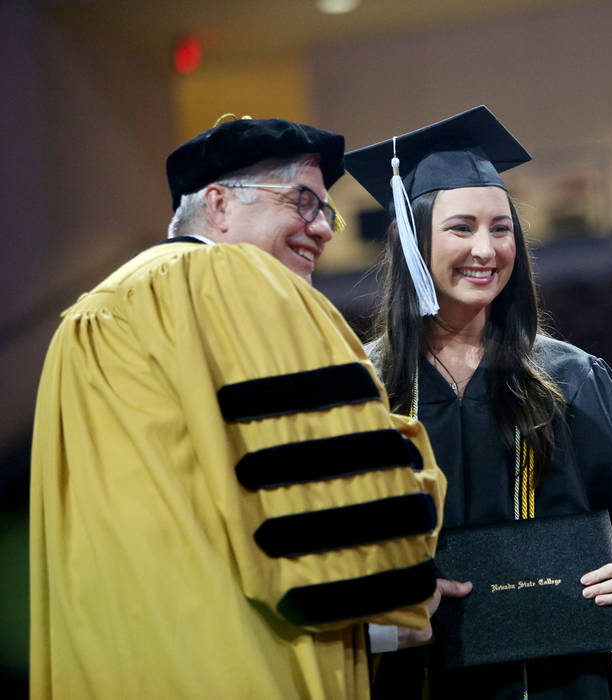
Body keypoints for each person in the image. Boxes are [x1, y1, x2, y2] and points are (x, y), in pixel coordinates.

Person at [29, 117, 447, 699]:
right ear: (219, 205)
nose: (322, 230)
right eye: (303, 202)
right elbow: (325, 479)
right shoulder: (231, 278)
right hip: (235, 663)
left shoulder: (89, 317)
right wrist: (391, 601)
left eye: (328, 212)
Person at [343, 106, 612, 699]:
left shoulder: (568, 377)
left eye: (501, 228)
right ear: (413, 239)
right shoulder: (360, 387)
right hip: (413, 677)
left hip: (562, 682)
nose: (486, 249)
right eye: (461, 228)